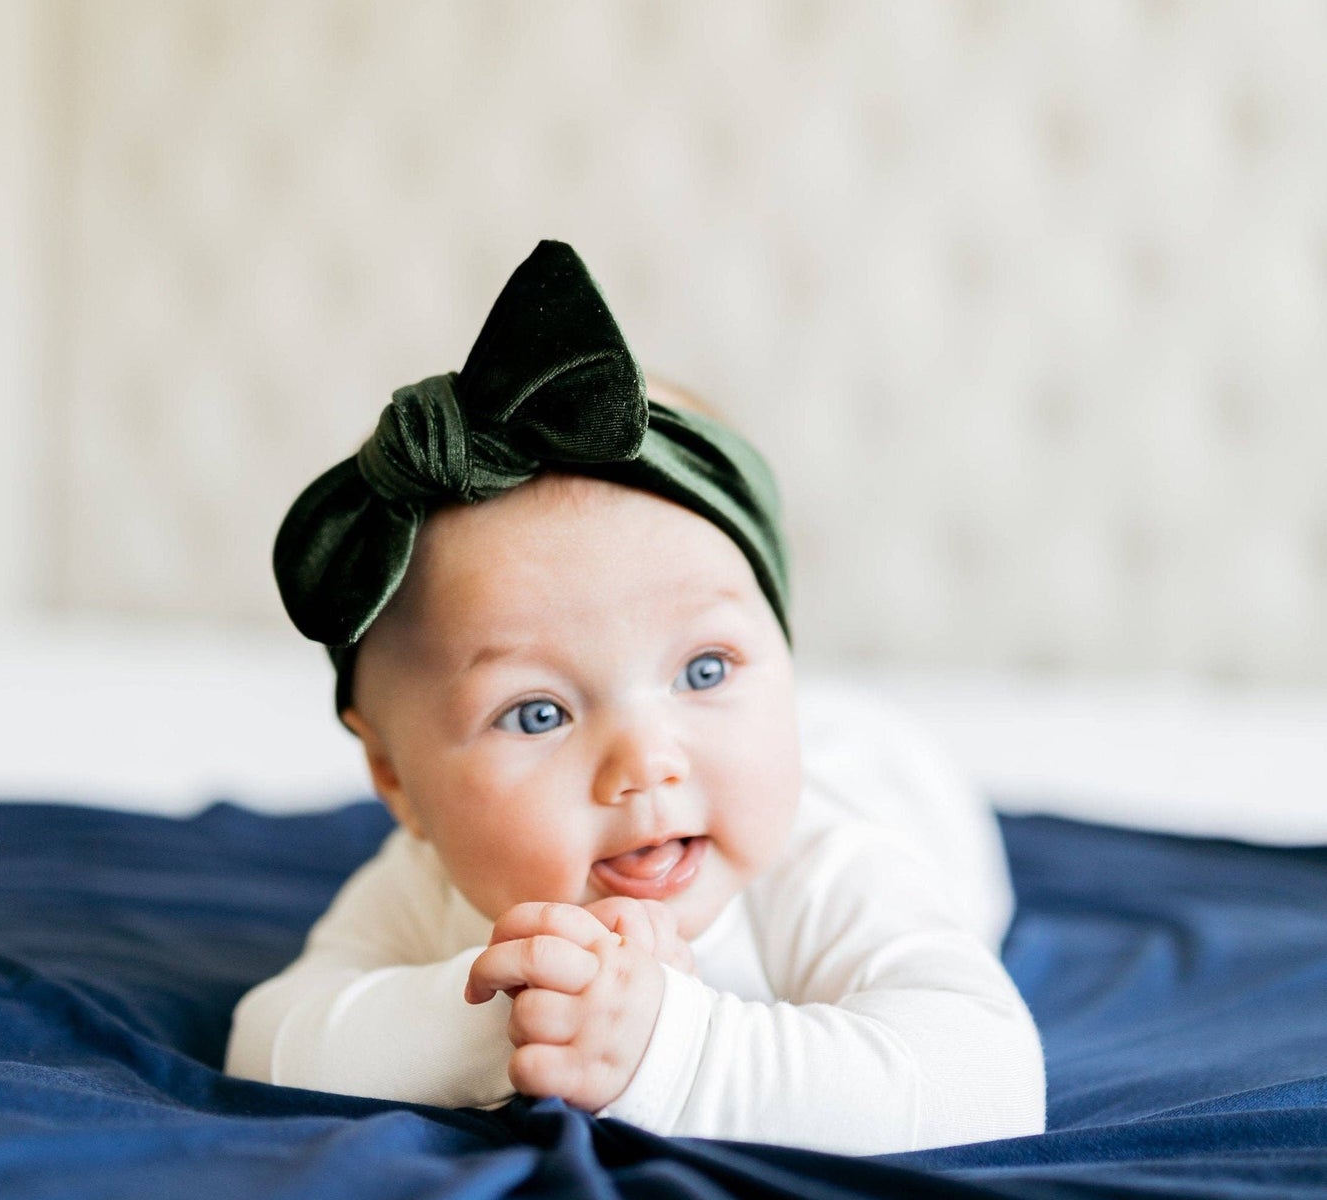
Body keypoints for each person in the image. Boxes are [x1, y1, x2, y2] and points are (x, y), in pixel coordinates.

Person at [225, 241, 1045, 1153]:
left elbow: (986, 1082)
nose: (646, 762)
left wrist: (662, 1048)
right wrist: (523, 1014)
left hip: (892, 771)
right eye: (537, 713)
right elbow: (269, 1042)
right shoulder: (424, 882)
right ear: (397, 783)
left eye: (704, 670)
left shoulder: (823, 867)